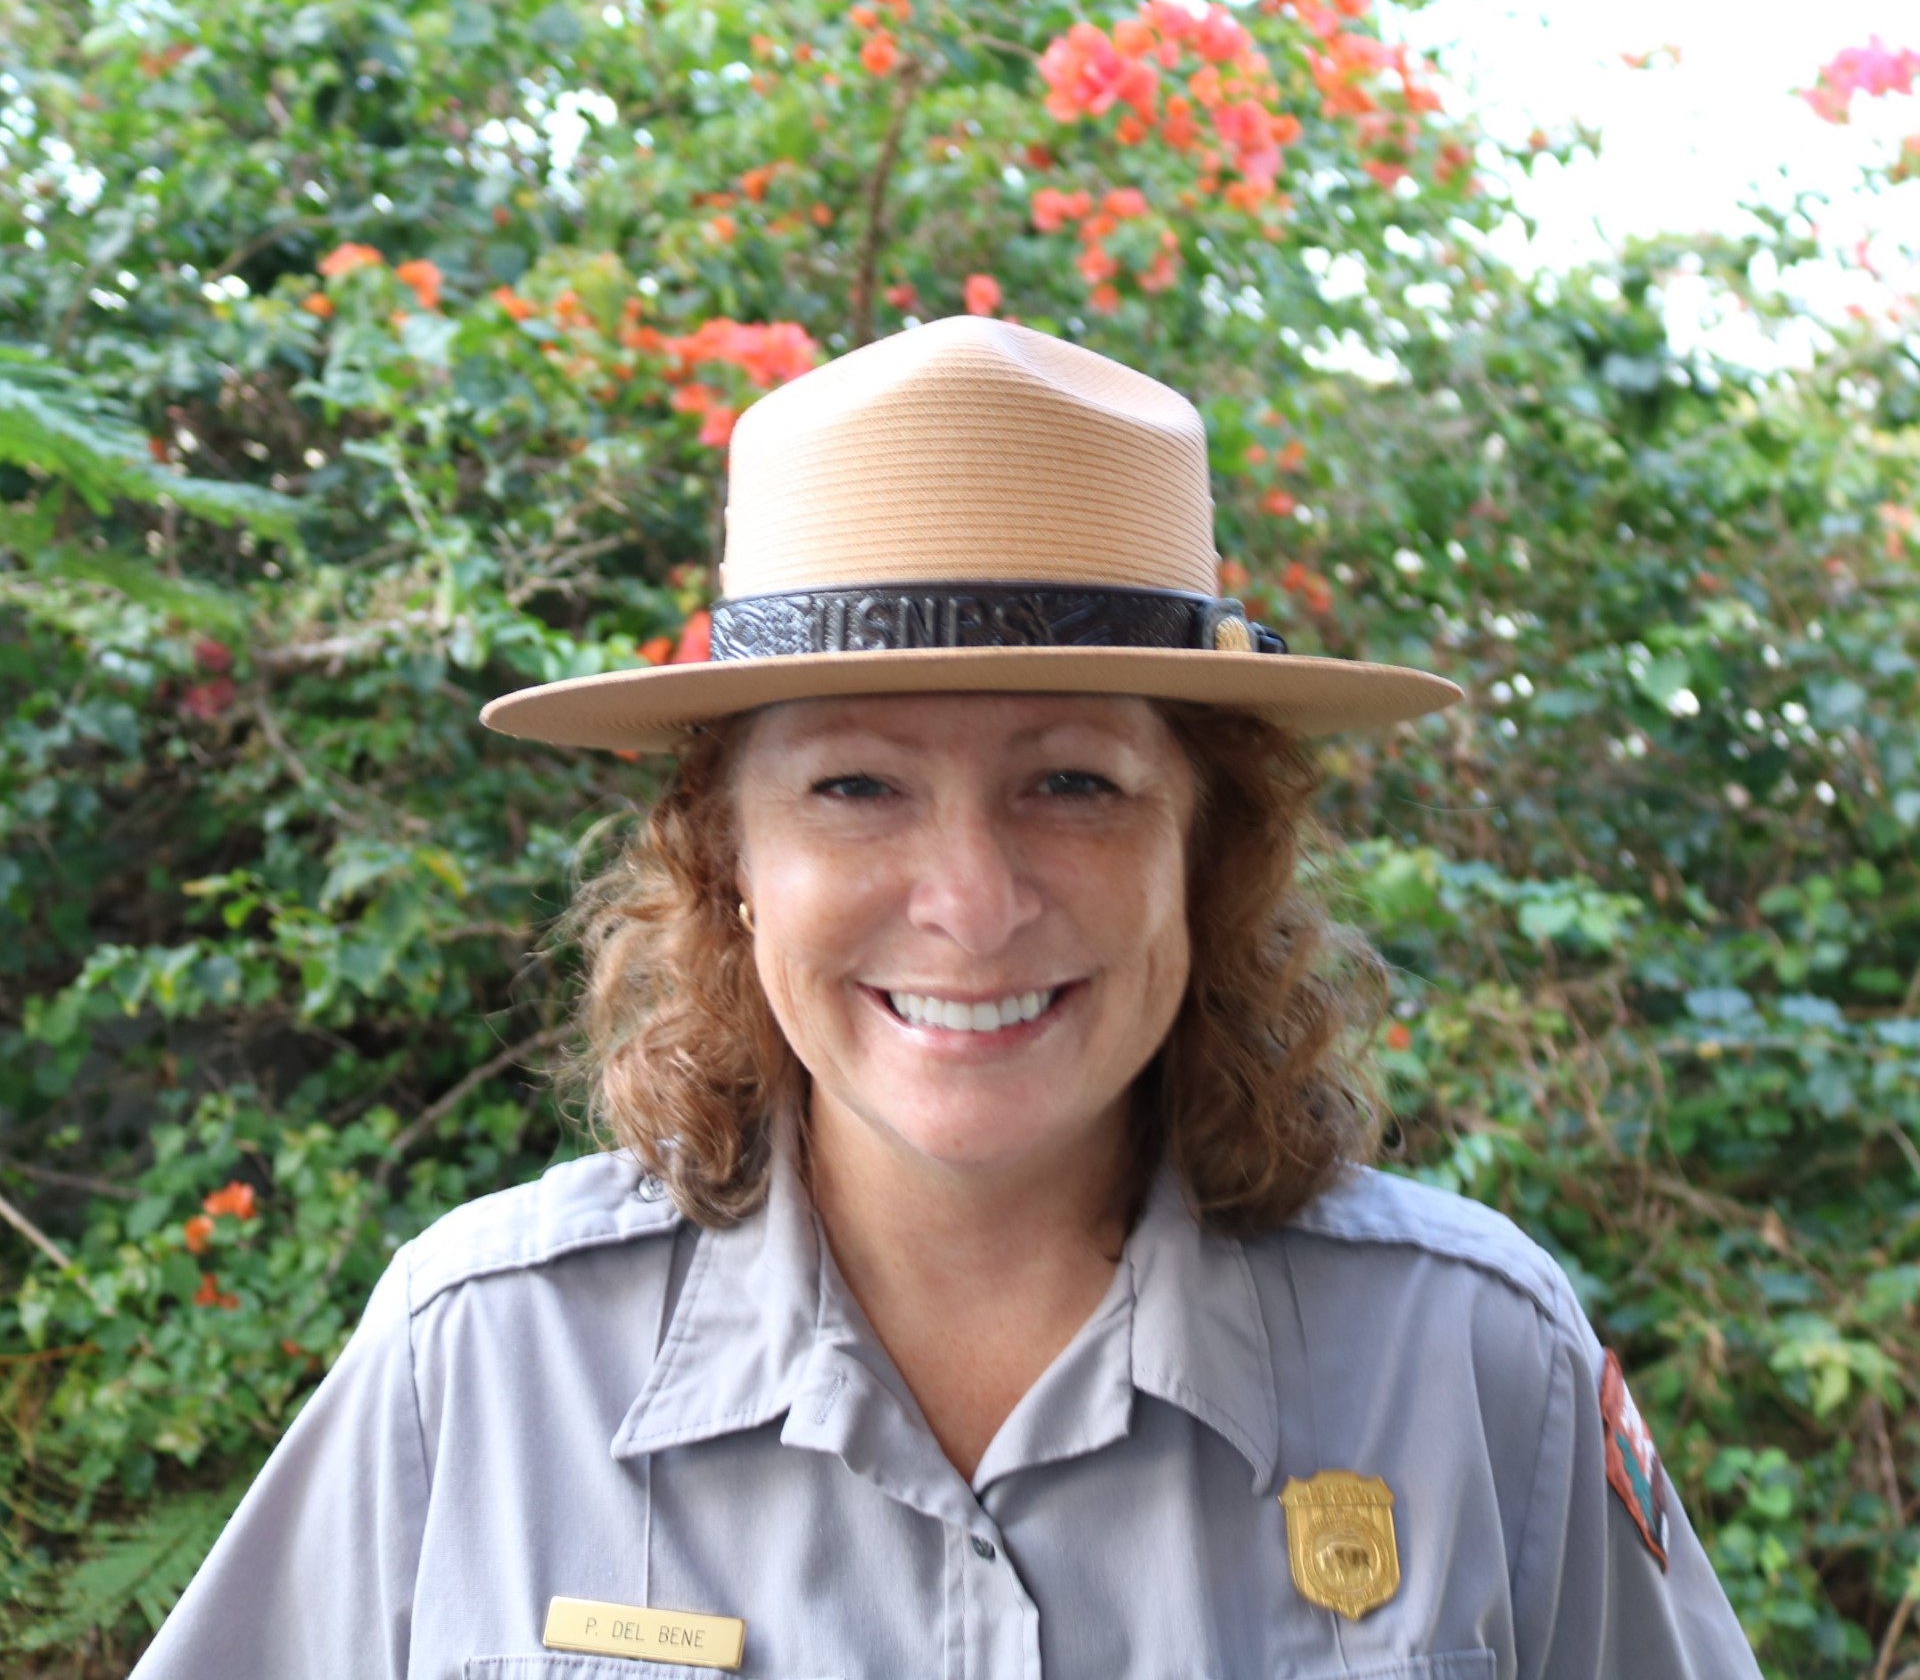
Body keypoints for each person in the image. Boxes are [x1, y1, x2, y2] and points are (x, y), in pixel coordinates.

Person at [132, 316, 1762, 1679]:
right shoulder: (478, 1363)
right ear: (727, 854)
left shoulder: (1475, 1365)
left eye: (1073, 780)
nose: (971, 901)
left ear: (1208, 845)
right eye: (854, 787)